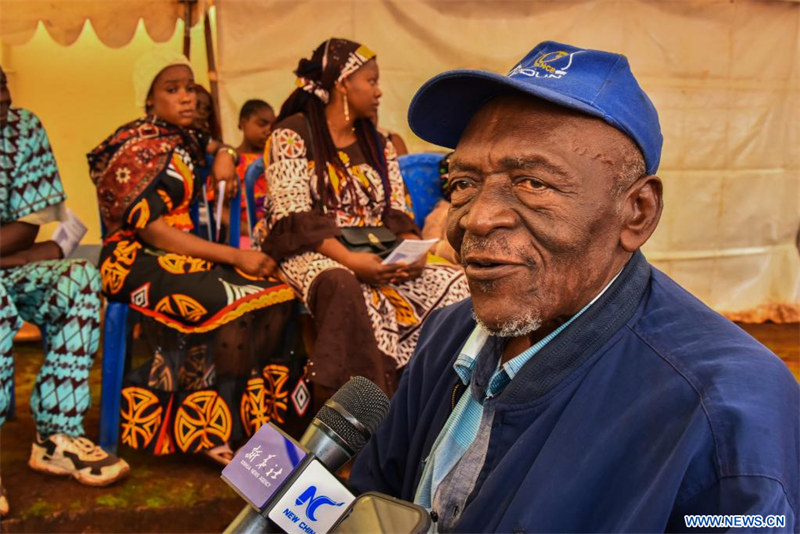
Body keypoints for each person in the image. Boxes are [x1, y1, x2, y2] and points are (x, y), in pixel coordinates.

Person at [349, 41, 799, 532]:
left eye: (533, 183)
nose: (477, 218)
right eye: (463, 183)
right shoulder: (448, 334)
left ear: (637, 212)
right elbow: (375, 497)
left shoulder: (723, 411)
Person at [88, 50, 302, 466]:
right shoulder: (137, 145)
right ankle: (211, 428)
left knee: (277, 293)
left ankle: (251, 419)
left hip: (183, 253)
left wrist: (223, 152)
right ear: (149, 99)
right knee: (227, 300)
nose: (186, 97)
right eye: (172, 90)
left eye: (190, 88)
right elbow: (151, 229)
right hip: (134, 257)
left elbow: (213, 144)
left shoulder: (183, 137)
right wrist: (236, 255)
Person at [254, 38, 469, 402]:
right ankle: (358, 415)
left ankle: (433, 400)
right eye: (370, 81)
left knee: (453, 282)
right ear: (342, 83)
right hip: (310, 250)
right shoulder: (291, 134)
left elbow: (397, 210)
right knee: (344, 285)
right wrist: (352, 261)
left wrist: (411, 252)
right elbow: (296, 217)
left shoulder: (378, 142)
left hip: (375, 248)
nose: (379, 91)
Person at [0, 65, 129, 516]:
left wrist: (20, 256)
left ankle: (56, 434)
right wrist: (21, 255)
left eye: (3, 88)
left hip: (7, 259)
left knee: (78, 279)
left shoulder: (22, 127)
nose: (2, 100)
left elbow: (23, 227)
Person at [236, 99, 276, 231]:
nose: (268, 130)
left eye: (272, 125)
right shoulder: (232, 160)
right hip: (242, 232)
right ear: (243, 123)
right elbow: (221, 208)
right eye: (262, 124)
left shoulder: (274, 159)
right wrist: (245, 229)